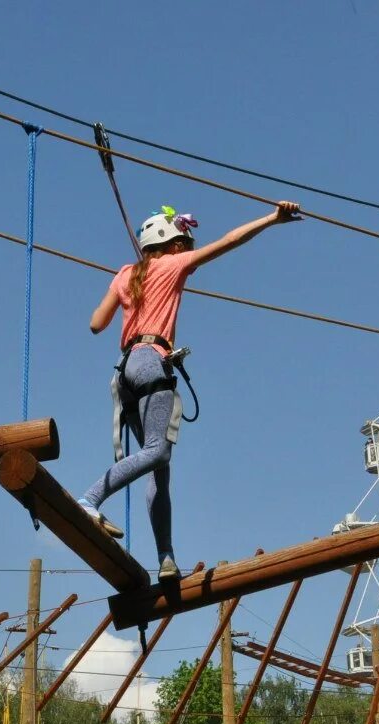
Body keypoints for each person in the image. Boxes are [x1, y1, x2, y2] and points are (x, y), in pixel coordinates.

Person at [79, 201, 302, 581]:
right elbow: (230, 241)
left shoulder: (125, 274)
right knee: (157, 451)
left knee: (159, 469)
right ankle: (89, 500)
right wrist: (272, 218)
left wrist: (133, 295)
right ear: (171, 243)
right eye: (183, 241)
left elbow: (96, 323)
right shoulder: (173, 265)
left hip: (125, 369)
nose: (187, 248)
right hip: (153, 362)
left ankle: (167, 559)